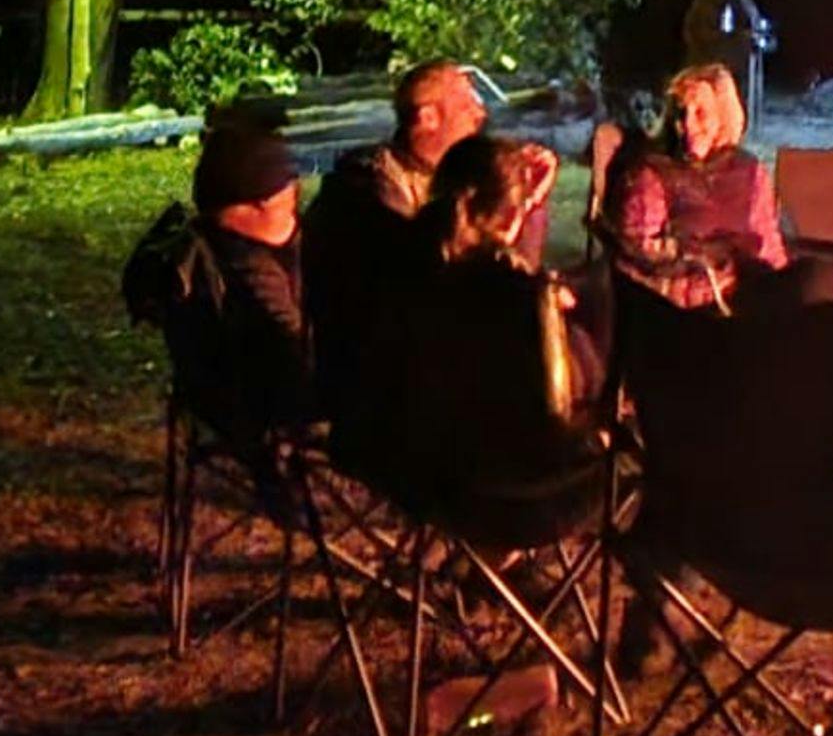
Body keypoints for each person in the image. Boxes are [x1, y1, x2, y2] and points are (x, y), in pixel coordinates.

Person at [327, 133, 601, 501]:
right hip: (513, 497)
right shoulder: (521, 299)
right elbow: (569, 398)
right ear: (507, 216)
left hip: (404, 474)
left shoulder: (389, 263)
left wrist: (527, 205)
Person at [302, 60, 491, 352]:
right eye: (467, 105)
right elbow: (422, 272)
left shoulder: (441, 179)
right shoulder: (367, 184)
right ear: (428, 117)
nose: (480, 114)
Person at [166, 120, 314, 442]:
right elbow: (292, 341)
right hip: (268, 397)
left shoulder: (221, 243)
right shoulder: (247, 268)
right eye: (288, 187)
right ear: (261, 202)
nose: (296, 193)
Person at [600, 62, 787, 309]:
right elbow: (639, 250)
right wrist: (701, 258)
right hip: (672, 302)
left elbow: (768, 243)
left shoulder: (750, 172)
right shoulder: (652, 173)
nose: (687, 125)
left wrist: (782, 285)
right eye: (681, 114)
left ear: (723, 117)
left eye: (700, 113)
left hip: (743, 294)